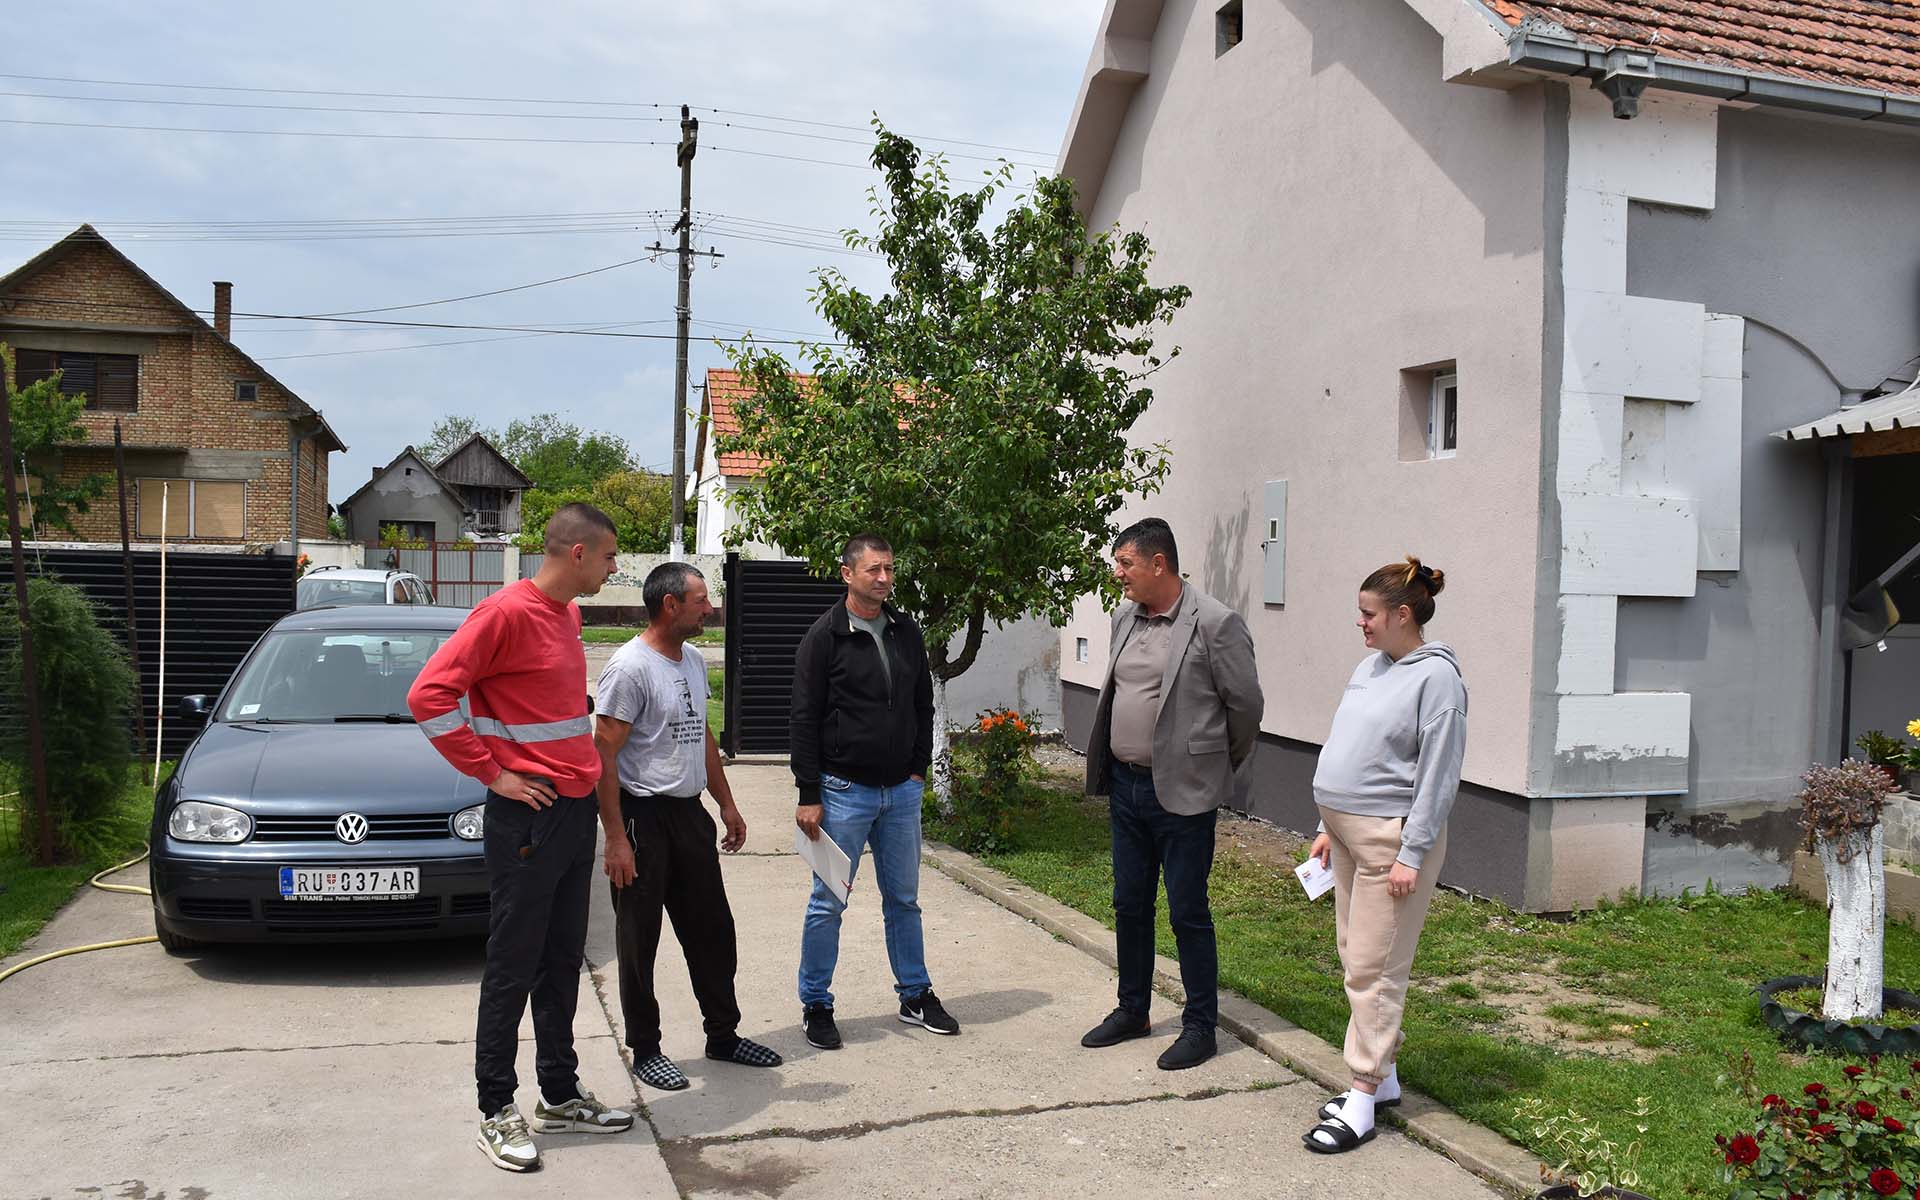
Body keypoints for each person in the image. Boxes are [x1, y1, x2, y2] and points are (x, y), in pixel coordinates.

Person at [407, 502, 633, 1173]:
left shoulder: (567, 614)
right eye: (610, 556)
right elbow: (428, 696)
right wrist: (493, 774)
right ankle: (495, 1109)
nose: (615, 568)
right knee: (513, 963)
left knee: (561, 960)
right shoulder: (504, 614)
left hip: (572, 811)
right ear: (577, 554)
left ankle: (559, 1094)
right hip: (528, 818)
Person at [1080, 517, 1263, 1071]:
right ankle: (1132, 1009)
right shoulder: (1125, 618)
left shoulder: (1215, 622)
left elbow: (1245, 706)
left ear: (1158, 564)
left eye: (1125, 564)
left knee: (1188, 912)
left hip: (1183, 794)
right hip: (1126, 787)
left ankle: (1200, 1026)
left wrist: (1212, 766)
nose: (1118, 574)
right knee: (1129, 904)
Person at [594, 561, 782, 1091]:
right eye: (701, 600)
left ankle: (723, 1036)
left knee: (713, 932)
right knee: (639, 941)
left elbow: (701, 736)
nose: (710, 609)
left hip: (688, 815)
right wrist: (615, 838)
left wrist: (727, 804)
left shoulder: (694, 660)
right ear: (670, 605)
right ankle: (646, 1049)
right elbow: (602, 756)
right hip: (641, 818)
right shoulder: (629, 668)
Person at [1302, 556, 1467, 1155]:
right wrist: (1326, 825)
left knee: (1376, 969)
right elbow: (1352, 745)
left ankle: (1363, 1095)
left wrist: (1412, 853)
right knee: (1356, 954)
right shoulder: (1372, 667)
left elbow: (1439, 775)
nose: (1361, 623)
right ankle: (1386, 1078)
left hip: (1389, 843)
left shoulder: (1438, 679)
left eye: (1369, 613)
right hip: (1347, 835)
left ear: (1402, 614)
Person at [791, 533, 958, 1049]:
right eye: (873, 570)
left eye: (889, 569)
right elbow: (803, 717)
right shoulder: (825, 637)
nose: (884, 578)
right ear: (848, 574)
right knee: (828, 902)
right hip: (843, 792)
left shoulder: (905, 631)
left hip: (900, 794)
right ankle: (816, 1004)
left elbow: (923, 703)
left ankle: (915, 995)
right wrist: (809, 792)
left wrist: (917, 769)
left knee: (904, 900)